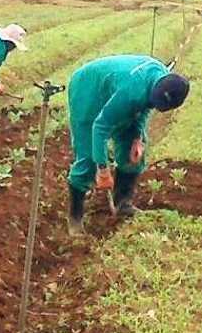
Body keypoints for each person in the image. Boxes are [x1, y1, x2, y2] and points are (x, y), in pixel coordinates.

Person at [66, 55, 190, 234]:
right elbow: (100, 127)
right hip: (88, 88)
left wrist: (137, 138)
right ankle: (75, 218)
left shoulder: (165, 80)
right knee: (88, 156)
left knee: (133, 152)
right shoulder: (132, 92)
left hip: (120, 89)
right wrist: (102, 169)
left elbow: (145, 109)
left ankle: (123, 204)